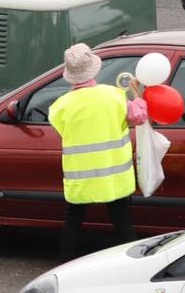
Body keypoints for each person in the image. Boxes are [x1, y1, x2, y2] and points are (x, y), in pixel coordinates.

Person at [49, 43, 146, 264]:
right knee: (121, 221)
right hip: (114, 174)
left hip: (80, 176)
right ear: (94, 70)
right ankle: (133, 265)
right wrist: (139, 99)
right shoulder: (114, 95)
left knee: (73, 219)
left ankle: (65, 262)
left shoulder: (59, 106)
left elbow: (65, 131)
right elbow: (138, 118)